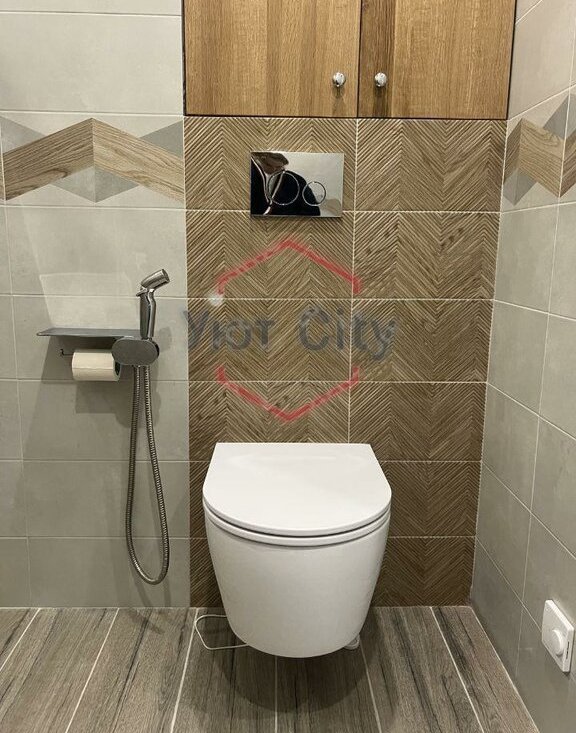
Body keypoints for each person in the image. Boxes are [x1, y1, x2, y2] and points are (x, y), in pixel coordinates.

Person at [250, 152, 320, 216]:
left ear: (283, 166)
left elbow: (312, 209)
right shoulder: (252, 174)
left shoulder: (296, 180)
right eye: (269, 165)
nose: (273, 170)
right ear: (260, 160)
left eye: (278, 167)